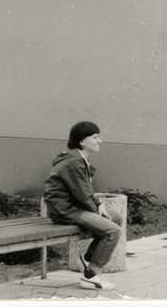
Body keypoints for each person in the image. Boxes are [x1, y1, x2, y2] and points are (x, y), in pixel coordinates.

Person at [43, 121, 122, 290]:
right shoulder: (74, 162)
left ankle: (89, 260)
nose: (99, 141)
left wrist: (99, 205)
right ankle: (91, 276)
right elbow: (82, 194)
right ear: (82, 142)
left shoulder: (79, 158)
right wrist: (96, 208)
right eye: (95, 137)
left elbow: (85, 190)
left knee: (116, 218)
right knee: (113, 230)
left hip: (73, 207)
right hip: (65, 210)